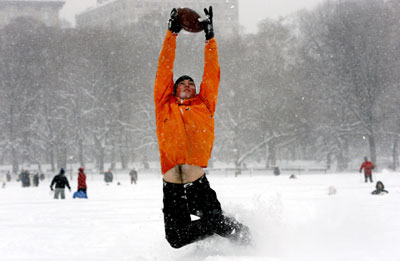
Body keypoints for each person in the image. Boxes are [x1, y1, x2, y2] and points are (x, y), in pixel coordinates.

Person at [154, 7, 250, 249]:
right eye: (182, 83)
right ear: (173, 90)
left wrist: (210, 39)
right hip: (172, 186)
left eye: (191, 83)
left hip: (197, 184)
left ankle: (253, 246)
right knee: (176, 238)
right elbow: (164, 68)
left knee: (218, 224)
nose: (187, 85)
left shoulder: (204, 104)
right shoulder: (164, 105)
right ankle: (217, 238)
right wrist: (171, 34)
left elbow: (211, 73)